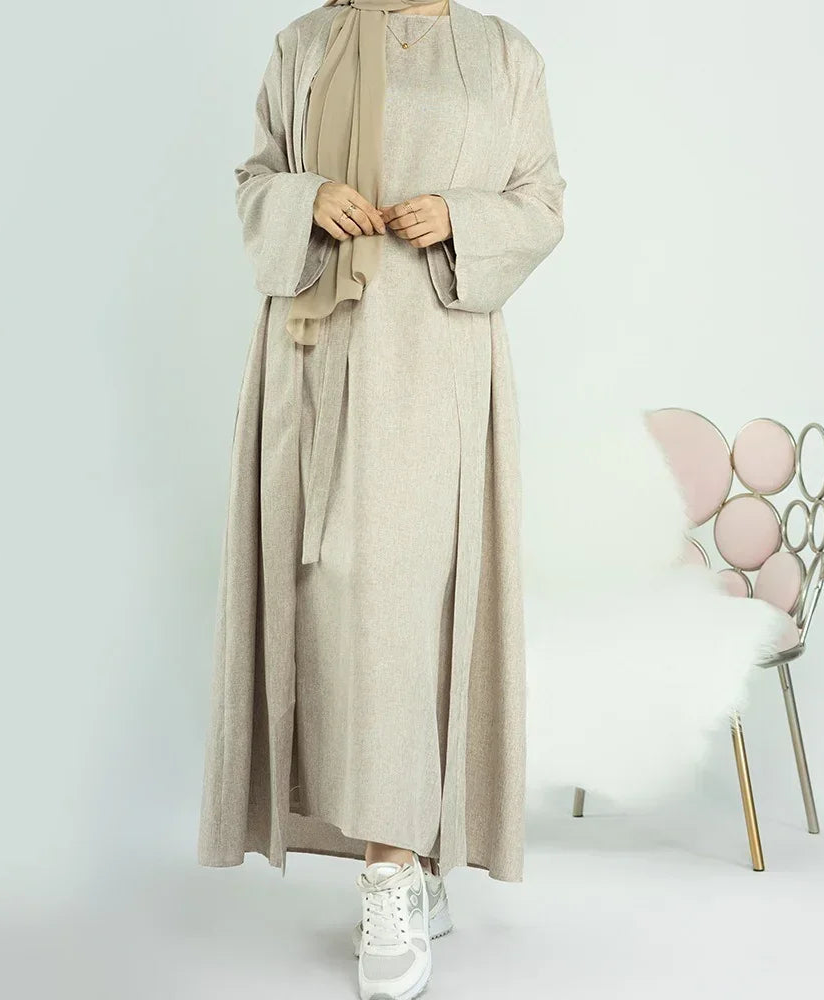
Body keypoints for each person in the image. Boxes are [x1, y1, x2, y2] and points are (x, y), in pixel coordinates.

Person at [197, 1, 565, 997]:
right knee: (333, 610)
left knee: (408, 610)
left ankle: (399, 863)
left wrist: (462, 219)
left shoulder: (501, 54)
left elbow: (541, 200)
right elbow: (254, 179)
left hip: (432, 365)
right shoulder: (305, 45)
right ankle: (393, 863)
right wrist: (306, 199)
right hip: (310, 364)